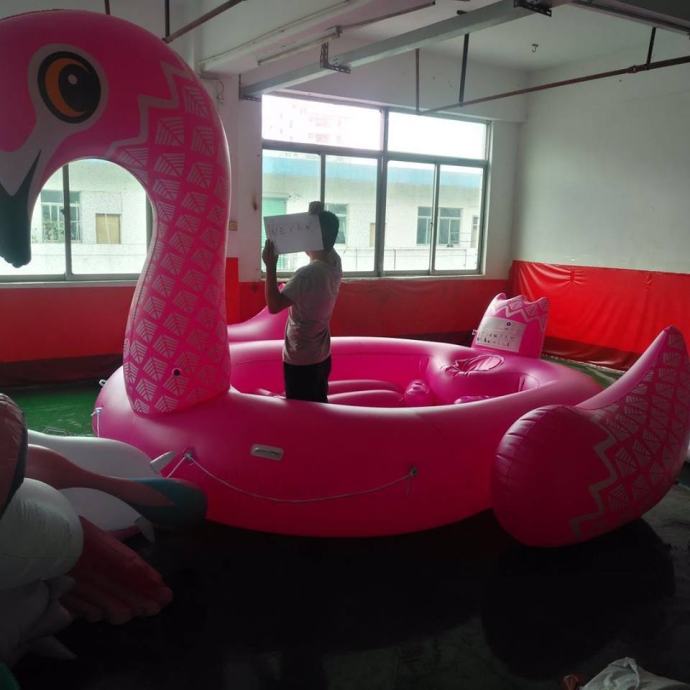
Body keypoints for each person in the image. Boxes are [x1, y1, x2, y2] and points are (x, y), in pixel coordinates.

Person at [262, 203, 342, 402]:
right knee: (318, 403)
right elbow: (322, 244)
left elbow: (274, 305)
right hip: (321, 354)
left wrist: (270, 266)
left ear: (315, 236)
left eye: (309, 230)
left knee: (301, 411)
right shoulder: (334, 263)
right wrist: (313, 217)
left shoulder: (307, 274)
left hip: (301, 358)